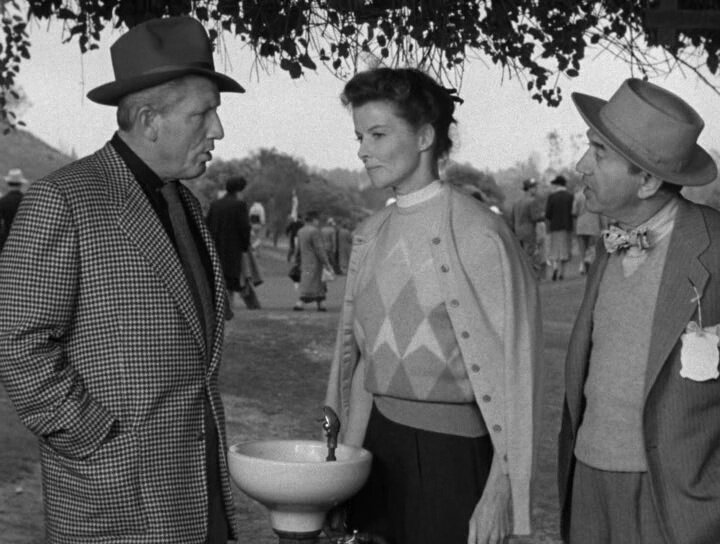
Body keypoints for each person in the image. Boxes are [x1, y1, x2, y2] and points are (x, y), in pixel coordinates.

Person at [0, 17, 245, 543]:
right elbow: (16, 341)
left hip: (196, 490)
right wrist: (93, 437)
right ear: (150, 120)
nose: (218, 131)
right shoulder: (62, 200)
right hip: (113, 499)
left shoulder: (185, 203)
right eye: (203, 114)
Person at [324, 67, 542, 544]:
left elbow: (516, 377)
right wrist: (343, 470)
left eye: (378, 134)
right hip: (376, 450)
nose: (363, 150)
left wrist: (499, 493)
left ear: (424, 137)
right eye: (360, 137)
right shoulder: (369, 235)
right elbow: (364, 370)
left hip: (452, 458)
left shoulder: (481, 235)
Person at [558, 78, 720, 544]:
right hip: (588, 481)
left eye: (598, 153)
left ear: (647, 180)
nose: (581, 165)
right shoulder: (609, 243)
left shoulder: (715, 248)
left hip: (676, 501)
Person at [207, 176, 262, 311]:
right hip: (234, 247)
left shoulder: (215, 205)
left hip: (217, 246)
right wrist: (245, 245)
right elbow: (244, 227)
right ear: (239, 190)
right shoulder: (239, 205)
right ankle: (233, 304)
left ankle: (226, 304)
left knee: (221, 276)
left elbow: (208, 225)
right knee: (237, 276)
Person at [293, 210, 332, 311]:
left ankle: (321, 304)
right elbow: (319, 249)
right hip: (315, 262)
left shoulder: (301, 231)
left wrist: (296, 260)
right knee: (314, 283)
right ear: (314, 219)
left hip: (304, 261)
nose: (318, 222)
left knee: (312, 282)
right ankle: (300, 303)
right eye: (317, 220)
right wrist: (326, 262)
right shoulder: (314, 231)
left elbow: (298, 248)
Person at [510, 178, 544, 278]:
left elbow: (512, 218)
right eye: (534, 187)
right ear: (529, 189)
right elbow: (535, 217)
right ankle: (530, 277)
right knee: (529, 254)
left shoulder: (516, 202)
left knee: (521, 256)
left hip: (518, 232)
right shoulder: (532, 201)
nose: (536, 189)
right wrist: (544, 215)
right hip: (529, 232)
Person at [545, 175, 574, 280]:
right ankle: (562, 272)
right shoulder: (570, 196)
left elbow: (548, 214)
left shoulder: (552, 197)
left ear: (557, 185)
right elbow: (573, 212)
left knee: (555, 249)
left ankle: (555, 267)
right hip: (566, 226)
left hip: (555, 226)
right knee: (565, 249)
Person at [571, 186, 603, 275]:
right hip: (593, 223)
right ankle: (589, 261)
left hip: (581, 223)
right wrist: (603, 225)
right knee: (592, 246)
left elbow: (574, 211)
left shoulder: (577, 195)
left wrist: (574, 227)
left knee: (582, 248)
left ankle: (583, 267)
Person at [0, 168, 28, 251]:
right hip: (22, 243)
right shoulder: (27, 201)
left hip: (5, 242)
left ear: (8, 183)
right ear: (20, 184)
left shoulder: (2, 201)